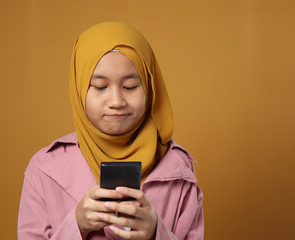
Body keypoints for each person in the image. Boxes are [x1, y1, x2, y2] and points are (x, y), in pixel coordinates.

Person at [18, 22, 204, 240]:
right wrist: (76, 225)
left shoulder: (177, 167)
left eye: (130, 87)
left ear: (150, 87)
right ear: (79, 89)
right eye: (100, 86)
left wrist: (156, 232)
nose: (116, 101)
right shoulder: (44, 169)